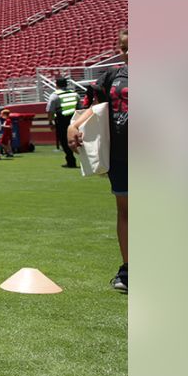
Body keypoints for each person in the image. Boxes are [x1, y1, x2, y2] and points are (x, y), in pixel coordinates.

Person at [68, 28, 128, 293]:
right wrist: (74, 125)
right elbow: (97, 106)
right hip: (121, 153)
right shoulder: (113, 75)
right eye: (125, 48)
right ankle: (129, 270)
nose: (129, 53)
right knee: (126, 211)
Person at [46, 76, 80, 168]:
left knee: (65, 142)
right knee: (78, 139)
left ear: (56, 85)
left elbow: (50, 111)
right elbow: (79, 108)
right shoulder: (74, 94)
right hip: (74, 120)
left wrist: (50, 122)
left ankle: (71, 161)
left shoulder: (54, 95)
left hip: (62, 121)